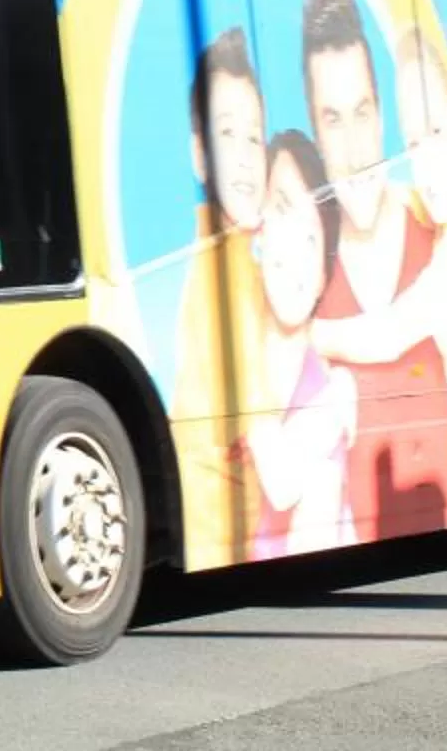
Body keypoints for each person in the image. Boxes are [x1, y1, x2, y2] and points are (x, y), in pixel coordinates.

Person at [317, 28, 447, 525]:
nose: (422, 158)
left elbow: (385, 335)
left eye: (435, 133)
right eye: (410, 141)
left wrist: (314, 335)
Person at [300, 0, 447, 541]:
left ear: (383, 113)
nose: (357, 147)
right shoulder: (304, 275)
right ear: (316, 134)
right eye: (333, 121)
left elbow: (389, 336)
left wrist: (308, 337)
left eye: (363, 112)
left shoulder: (439, 230)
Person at [170, 28, 274, 567]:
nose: (242, 159)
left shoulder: (248, 256)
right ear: (198, 154)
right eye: (226, 134)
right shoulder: (215, 273)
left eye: (254, 138)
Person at [241, 131, 358, 558]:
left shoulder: (329, 385)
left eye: (313, 238)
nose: (295, 248)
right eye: (283, 209)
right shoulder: (232, 356)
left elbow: (285, 484)